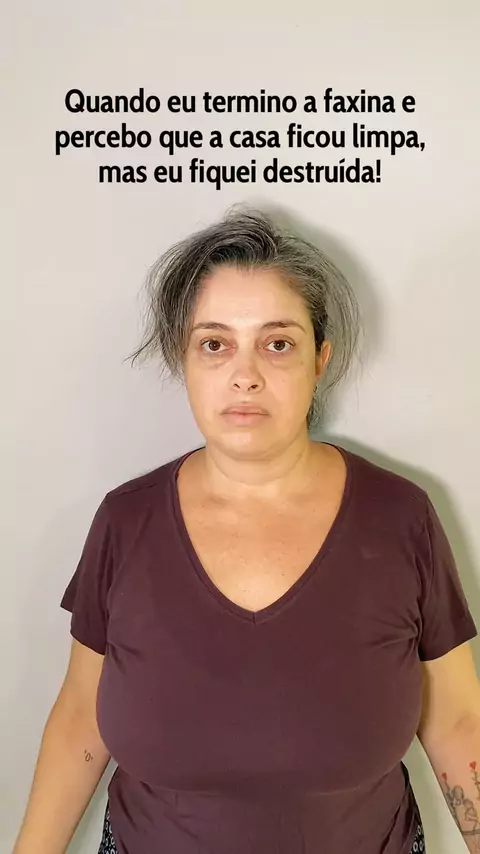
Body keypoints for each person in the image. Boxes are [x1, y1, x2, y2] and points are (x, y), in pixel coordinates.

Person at [13, 206, 476, 854]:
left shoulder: (401, 518)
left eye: (277, 343)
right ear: (185, 361)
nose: (245, 374)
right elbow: (79, 724)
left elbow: (456, 723)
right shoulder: (126, 522)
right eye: (214, 343)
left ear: (320, 360)